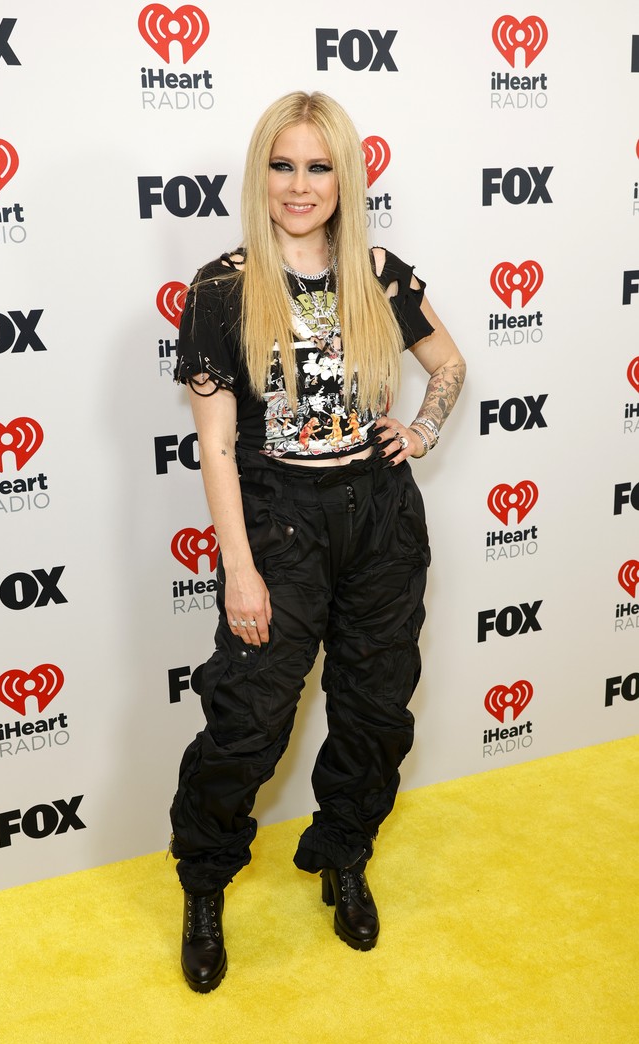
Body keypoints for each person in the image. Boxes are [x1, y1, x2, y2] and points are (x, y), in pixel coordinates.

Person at [169, 91, 465, 993]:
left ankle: (342, 854)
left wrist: (421, 431)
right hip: (277, 525)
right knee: (249, 723)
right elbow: (217, 445)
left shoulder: (378, 272)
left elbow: (447, 364)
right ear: (262, 172)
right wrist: (241, 572)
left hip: (380, 519)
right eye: (284, 164)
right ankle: (206, 885)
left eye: (319, 165)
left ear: (346, 175)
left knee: (377, 712)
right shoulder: (222, 288)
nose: (301, 186)